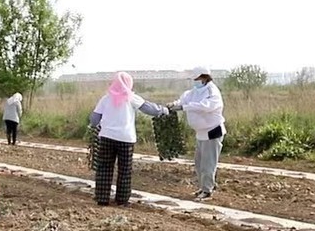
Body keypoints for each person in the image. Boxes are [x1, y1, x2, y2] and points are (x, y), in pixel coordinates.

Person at [88, 72, 170, 206]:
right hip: (126, 139)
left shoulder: (106, 99)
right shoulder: (131, 98)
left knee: (104, 168)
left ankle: (102, 199)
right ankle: (122, 200)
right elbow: (150, 109)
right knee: (124, 170)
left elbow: (94, 119)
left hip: (107, 137)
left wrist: (94, 126)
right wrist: (164, 110)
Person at [168, 67, 225, 201]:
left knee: (208, 164)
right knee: (199, 163)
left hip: (212, 131)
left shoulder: (212, 92)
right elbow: (184, 99)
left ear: (205, 78)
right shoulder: (194, 91)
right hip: (200, 133)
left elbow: (205, 106)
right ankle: (204, 187)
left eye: (197, 79)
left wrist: (184, 107)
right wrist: (175, 104)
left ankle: (207, 190)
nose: (195, 81)